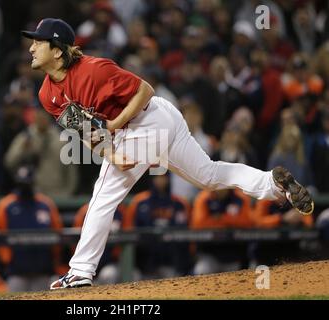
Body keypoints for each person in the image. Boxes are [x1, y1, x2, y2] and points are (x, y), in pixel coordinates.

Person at [21, 18, 314, 289]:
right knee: (209, 176)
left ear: (58, 51)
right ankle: (273, 185)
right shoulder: (47, 94)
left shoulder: (94, 69)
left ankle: (81, 271)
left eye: (39, 41)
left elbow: (145, 90)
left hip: (147, 119)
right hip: (148, 125)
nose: (32, 46)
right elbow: (84, 130)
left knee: (103, 193)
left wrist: (115, 126)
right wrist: (110, 154)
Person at [0, 165, 65, 292]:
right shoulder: (6, 205)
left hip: (43, 270)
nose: (25, 186)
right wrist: (8, 260)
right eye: (22, 183)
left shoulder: (46, 204)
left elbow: (57, 235)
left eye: (27, 183)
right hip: (16, 271)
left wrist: (53, 259)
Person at [191, 189, 253, 275]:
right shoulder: (204, 197)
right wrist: (229, 223)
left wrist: (220, 218)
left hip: (234, 254)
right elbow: (198, 224)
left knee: (235, 282)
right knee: (201, 271)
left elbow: (247, 222)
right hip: (209, 253)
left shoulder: (241, 197)